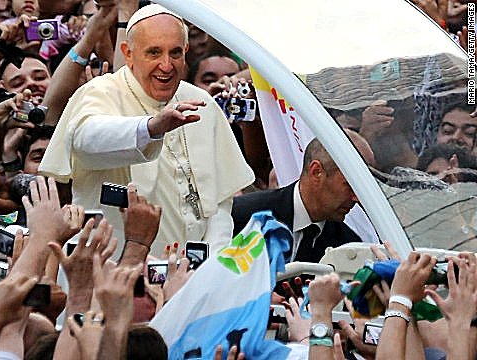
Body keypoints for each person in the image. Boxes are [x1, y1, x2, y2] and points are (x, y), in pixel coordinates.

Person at [39, 4, 253, 255]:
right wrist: (150, 128)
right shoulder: (102, 91)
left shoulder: (201, 102)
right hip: (113, 269)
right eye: (154, 53)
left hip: (189, 275)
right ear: (128, 53)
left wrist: (211, 265)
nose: (166, 65)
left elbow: (219, 203)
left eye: (175, 53)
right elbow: (85, 139)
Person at [231, 138, 361, 263]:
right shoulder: (241, 217)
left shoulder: (348, 248)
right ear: (316, 172)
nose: (357, 197)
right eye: (350, 185)